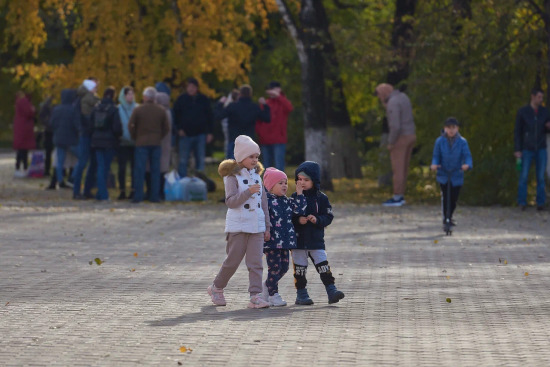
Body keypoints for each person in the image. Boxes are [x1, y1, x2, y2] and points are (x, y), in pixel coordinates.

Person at [207, 135, 271, 309]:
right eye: (251, 156)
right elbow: (231, 202)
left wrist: (267, 226)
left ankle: (255, 296)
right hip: (238, 225)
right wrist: (248, 192)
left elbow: (263, 203)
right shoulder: (231, 177)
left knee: (256, 262)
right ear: (241, 157)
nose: (255, 160)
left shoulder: (258, 176)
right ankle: (217, 287)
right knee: (232, 261)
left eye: (256, 157)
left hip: (256, 226)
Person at [291, 161, 345, 305]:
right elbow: (289, 216)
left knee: (323, 266)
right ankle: (301, 294)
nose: (302, 182)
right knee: (300, 270)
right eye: (299, 179)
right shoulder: (293, 197)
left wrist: (317, 219)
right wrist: (298, 220)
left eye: (306, 180)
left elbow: (328, 216)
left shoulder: (321, 198)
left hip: (315, 240)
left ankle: (331, 290)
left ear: (314, 181)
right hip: (298, 241)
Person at [260, 167, 307, 307]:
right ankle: (273, 294)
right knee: (274, 268)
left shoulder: (286, 200)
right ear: (270, 186)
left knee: (284, 267)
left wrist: (299, 194)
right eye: (280, 183)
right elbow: (261, 218)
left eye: (285, 183)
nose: (284, 186)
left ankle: (268, 285)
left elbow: (299, 210)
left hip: (285, 242)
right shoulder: (266, 201)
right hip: (272, 242)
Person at [375, 83, 416, 207]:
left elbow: (395, 126)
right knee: (404, 168)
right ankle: (401, 195)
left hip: (400, 138)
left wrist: (391, 142)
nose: (379, 98)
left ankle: (397, 196)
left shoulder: (392, 102)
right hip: (411, 135)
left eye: (379, 95)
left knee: (397, 169)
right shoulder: (403, 97)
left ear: (384, 93)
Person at [128, 87, 170, 203]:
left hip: (141, 143)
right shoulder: (161, 110)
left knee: (140, 170)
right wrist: (159, 136)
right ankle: (154, 196)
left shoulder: (138, 110)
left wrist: (135, 137)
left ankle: (138, 196)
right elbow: (166, 128)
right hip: (156, 143)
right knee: (155, 171)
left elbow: (131, 125)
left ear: (145, 97)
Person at [430, 118, 473, 227]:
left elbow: (467, 155)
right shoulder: (439, 141)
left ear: (457, 129)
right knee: (446, 195)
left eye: (453, 128)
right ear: (445, 129)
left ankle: (450, 215)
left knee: (454, 197)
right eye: (449, 128)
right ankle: (446, 217)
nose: (451, 130)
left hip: (456, 172)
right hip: (443, 172)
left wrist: (467, 165)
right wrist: (434, 165)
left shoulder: (462, 142)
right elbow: (436, 156)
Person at [515, 88, 550, 210]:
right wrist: (517, 149)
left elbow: (546, 129)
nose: (541, 100)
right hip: (527, 148)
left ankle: (540, 203)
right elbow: (518, 131)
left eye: (542, 97)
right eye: (539, 97)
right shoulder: (523, 112)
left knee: (540, 176)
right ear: (533, 97)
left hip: (541, 147)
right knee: (524, 175)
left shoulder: (545, 112)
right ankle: (522, 202)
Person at [215, 84, 271, 159]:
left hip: (234, 139)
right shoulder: (254, 107)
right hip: (249, 140)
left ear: (240, 94)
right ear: (250, 94)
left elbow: (218, 116)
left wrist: (220, 103)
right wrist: (265, 105)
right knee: (247, 166)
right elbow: (267, 118)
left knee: (233, 166)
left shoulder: (232, 106)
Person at [173, 77, 214, 178]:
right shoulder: (181, 99)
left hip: (200, 134)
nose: (191, 89)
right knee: (183, 159)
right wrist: (178, 129)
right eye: (189, 87)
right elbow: (175, 116)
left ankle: (199, 180)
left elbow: (210, 116)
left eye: (193, 87)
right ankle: (182, 181)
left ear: (197, 88)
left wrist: (210, 132)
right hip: (185, 134)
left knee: (200, 159)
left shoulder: (203, 100)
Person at [91, 87, 122, 201]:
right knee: (105, 167)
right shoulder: (113, 109)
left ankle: (100, 193)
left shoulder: (96, 107)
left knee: (100, 166)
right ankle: (103, 194)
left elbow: (91, 124)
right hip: (109, 142)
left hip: (97, 141)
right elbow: (116, 127)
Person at [256, 81, 293, 171]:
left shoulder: (283, 101)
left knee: (279, 166)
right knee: (266, 167)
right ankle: (267, 185)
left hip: (279, 139)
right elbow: (258, 120)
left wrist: (278, 96)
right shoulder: (266, 103)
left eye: (273, 89)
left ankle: (280, 184)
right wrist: (261, 134)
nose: (271, 92)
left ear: (279, 89)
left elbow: (290, 108)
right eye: (270, 90)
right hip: (265, 140)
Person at [73, 79, 100, 199]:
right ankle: (81, 190)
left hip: (85, 134)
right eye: (94, 88)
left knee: (84, 162)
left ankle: (79, 190)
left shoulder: (81, 99)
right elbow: (88, 118)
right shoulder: (88, 100)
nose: (96, 90)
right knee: (85, 162)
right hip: (87, 134)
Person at [50, 89, 80, 189]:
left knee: (60, 161)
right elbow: (77, 125)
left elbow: (52, 123)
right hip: (71, 139)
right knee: (82, 157)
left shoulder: (56, 109)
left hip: (59, 138)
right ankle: (72, 177)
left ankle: (60, 180)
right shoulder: (73, 109)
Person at [117, 86, 138, 200]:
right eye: (128, 94)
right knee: (122, 168)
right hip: (123, 142)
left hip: (135, 142)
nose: (130, 96)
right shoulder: (119, 108)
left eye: (132, 94)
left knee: (134, 168)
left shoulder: (137, 108)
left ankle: (134, 190)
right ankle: (122, 190)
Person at [13, 91, 36, 177]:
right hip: (24, 130)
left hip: (21, 129)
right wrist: (33, 110)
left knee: (21, 150)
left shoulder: (19, 103)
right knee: (23, 150)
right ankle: (23, 168)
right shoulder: (24, 102)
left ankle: (19, 168)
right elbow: (29, 112)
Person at [38, 97, 54, 176]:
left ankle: (47, 170)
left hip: (49, 130)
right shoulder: (49, 104)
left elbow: (41, 116)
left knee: (49, 152)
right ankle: (49, 170)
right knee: (50, 152)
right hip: (51, 130)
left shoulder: (47, 104)